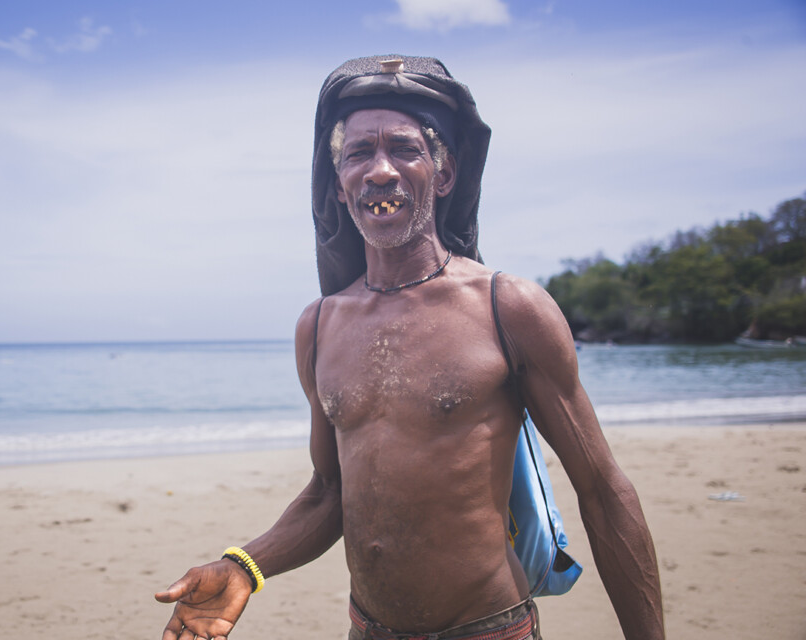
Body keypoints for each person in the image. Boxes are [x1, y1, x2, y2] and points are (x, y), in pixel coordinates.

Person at [155, 55, 664, 640]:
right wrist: (242, 566)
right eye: (358, 155)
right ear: (340, 187)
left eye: (403, 149)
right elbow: (329, 494)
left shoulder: (507, 307)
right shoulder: (319, 325)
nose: (379, 170)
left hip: (490, 630)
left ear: (443, 174)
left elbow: (602, 490)